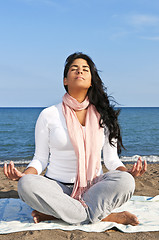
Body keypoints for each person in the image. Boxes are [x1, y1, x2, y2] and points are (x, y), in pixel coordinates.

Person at [4, 52, 147, 225]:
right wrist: (24, 174)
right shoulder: (49, 114)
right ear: (65, 80)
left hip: (94, 188)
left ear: (91, 80)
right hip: (56, 188)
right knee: (26, 185)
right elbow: (40, 159)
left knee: (126, 182)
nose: (80, 71)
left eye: (85, 69)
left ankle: (59, 214)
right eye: (74, 69)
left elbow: (111, 159)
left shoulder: (105, 116)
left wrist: (129, 173)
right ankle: (105, 216)